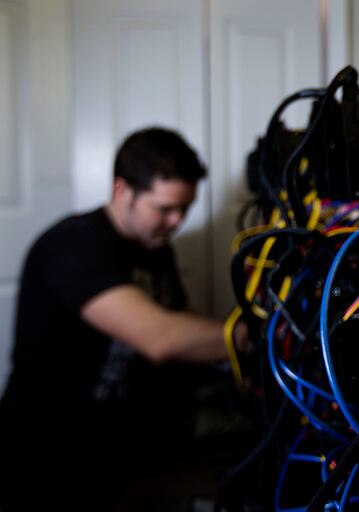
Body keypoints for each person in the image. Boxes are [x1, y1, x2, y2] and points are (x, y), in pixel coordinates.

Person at [0, 127, 241, 510]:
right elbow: (159, 336)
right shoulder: (74, 246)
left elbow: (176, 316)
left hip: (114, 449)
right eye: (164, 209)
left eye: (184, 209)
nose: (176, 221)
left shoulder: (155, 247)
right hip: (47, 456)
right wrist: (257, 335)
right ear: (121, 191)